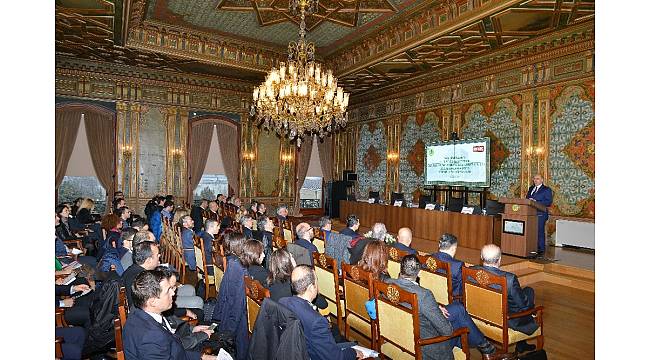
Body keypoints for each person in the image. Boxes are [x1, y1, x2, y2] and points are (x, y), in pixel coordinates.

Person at [386, 255, 497, 358]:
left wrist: (436, 306)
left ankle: (484, 345)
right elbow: (447, 331)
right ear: (419, 273)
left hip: (404, 333)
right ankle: (485, 347)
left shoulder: (387, 283)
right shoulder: (424, 295)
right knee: (460, 322)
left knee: (458, 308)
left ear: (401, 269)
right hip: (426, 346)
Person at [122, 270, 220, 360]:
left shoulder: (140, 311)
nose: (173, 293)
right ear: (153, 302)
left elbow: (174, 349)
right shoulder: (151, 338)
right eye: (168, 291)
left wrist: (203, 356)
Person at [279, 265, 362, 360]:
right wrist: (354, 353)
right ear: (311, 287)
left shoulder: (283, 302)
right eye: (316, 281)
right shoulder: (317, 322)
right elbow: (335, 358)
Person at [471, 244, 539, 353]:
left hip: (481, 315)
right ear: (500, 259)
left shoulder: (470, 272)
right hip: (505, 320)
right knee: (528, 292)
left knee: (524, 294)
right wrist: (532, 310)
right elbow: (524, 305)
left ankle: (522, 344)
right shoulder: (509, 279)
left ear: (481, 257)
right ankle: (523, 341)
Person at [212, 232, 249, 360]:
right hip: (238, 318)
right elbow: (237, 301)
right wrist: (231, 328)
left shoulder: (232, 261)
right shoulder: (237, 266)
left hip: (229, 313)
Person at [121, 240, 160, 308]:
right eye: (157, 255)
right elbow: (155, 306)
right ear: (149, 260)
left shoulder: (132, 270)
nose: (159, 256)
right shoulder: (142, 280)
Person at [525, 174, 553, 257]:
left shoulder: (546, 189)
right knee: (532, 231)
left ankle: (541, 250)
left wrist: (536, 201)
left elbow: (548, 202)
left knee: (539, 231)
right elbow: (527, 199)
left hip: (541, 213)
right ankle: (532, 247)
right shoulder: (531, 188)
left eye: (537, 179)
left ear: (542, 180)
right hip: (531, 213)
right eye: (534, 178)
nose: (535, 180)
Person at [431, 233, 465, 298]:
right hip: (450, 301)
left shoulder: (427, 259)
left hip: (431, 296)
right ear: (453, 248)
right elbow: (462, 288)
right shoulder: (457, 265)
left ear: (439, 245)